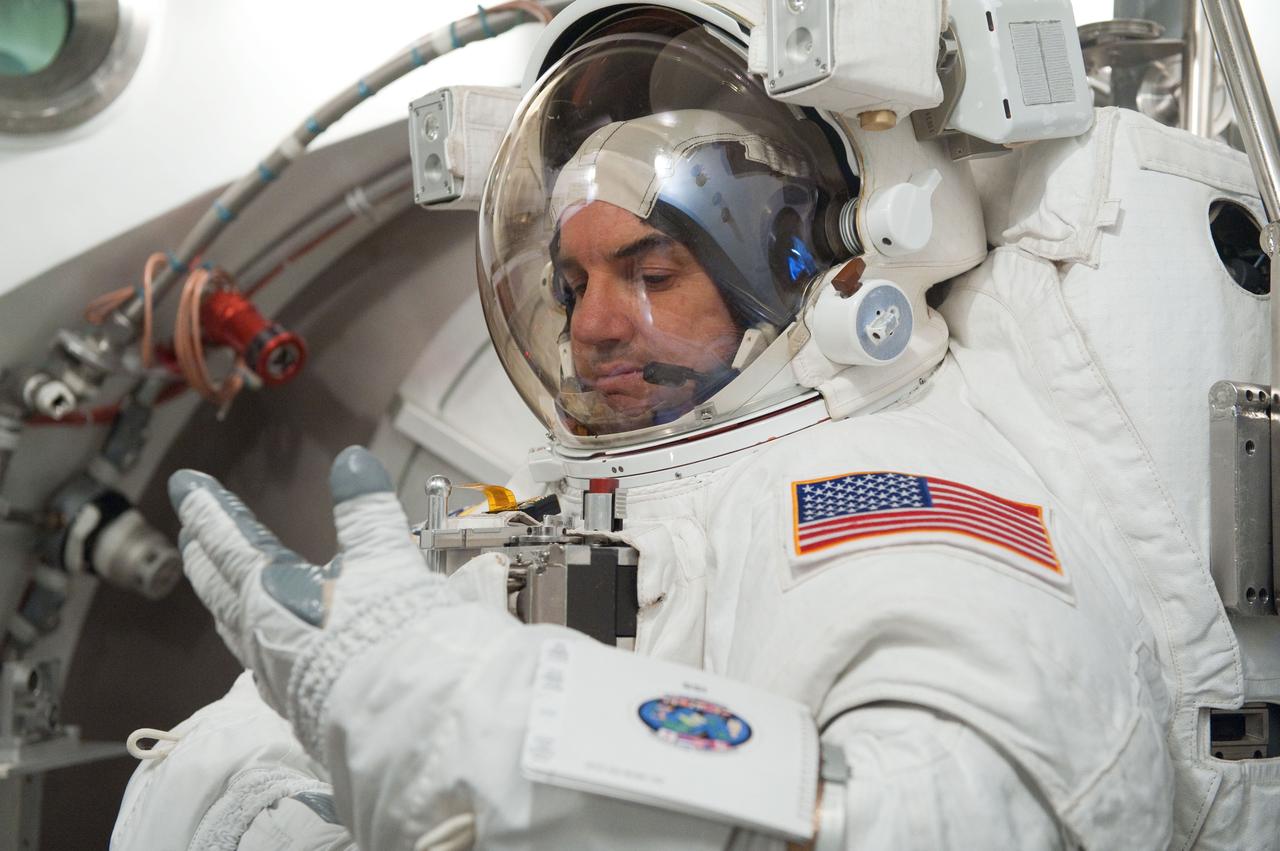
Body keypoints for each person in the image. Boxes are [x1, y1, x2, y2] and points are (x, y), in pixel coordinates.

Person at [113, 4, 1178, 849]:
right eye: (571, 285)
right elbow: (216, 767)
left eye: (651, 271)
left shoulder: (893, 495)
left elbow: (964, 813)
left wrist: (480, 737)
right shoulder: (582, 508)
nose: (594, 328)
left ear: (783, 273)